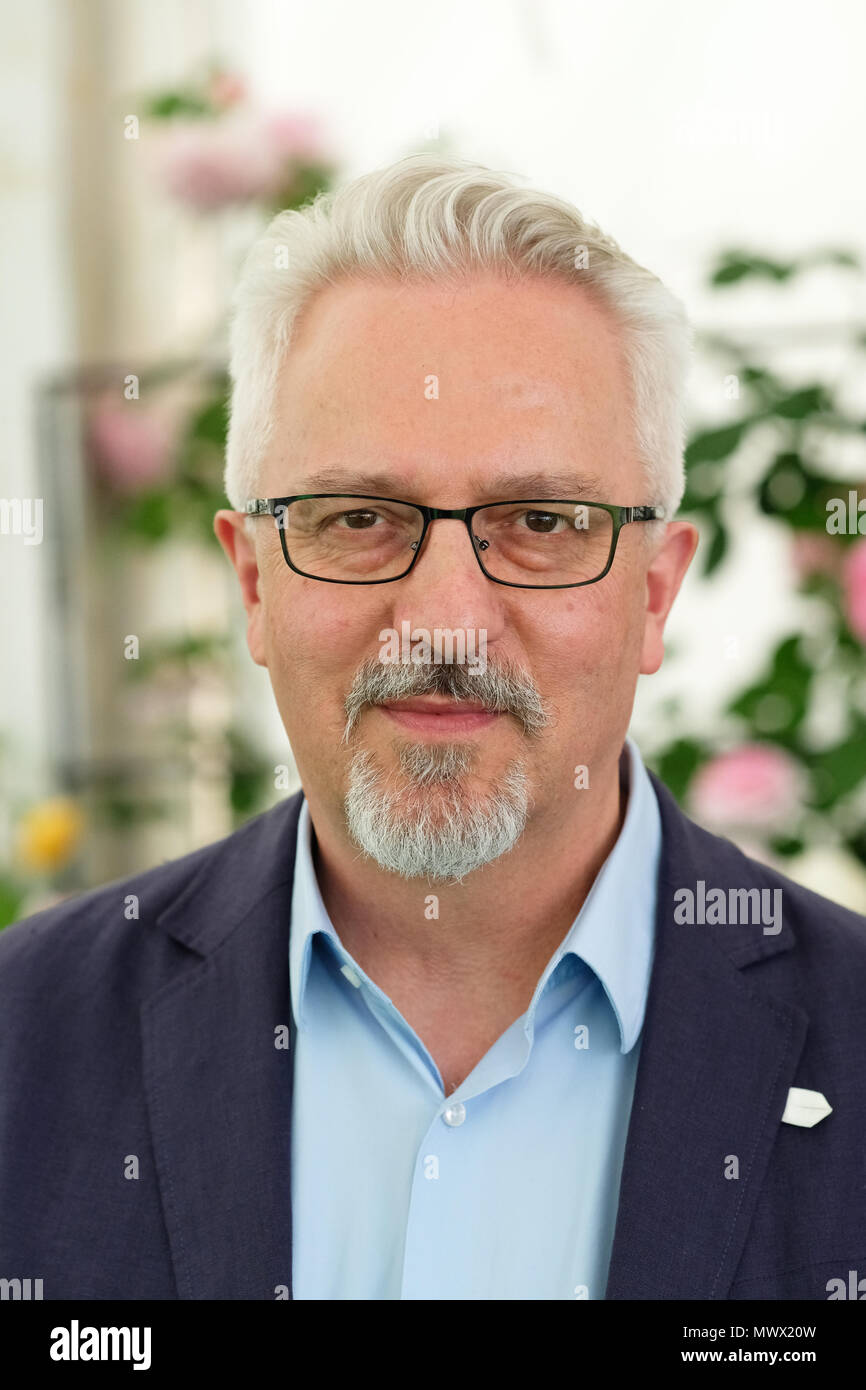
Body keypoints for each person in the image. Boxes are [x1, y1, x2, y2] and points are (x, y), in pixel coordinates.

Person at [2, 155, 864, 1301]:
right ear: (253, 586)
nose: (444, 621)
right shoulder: (23, 1043)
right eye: (358, 516)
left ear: (652, 594)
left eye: (541, 520)